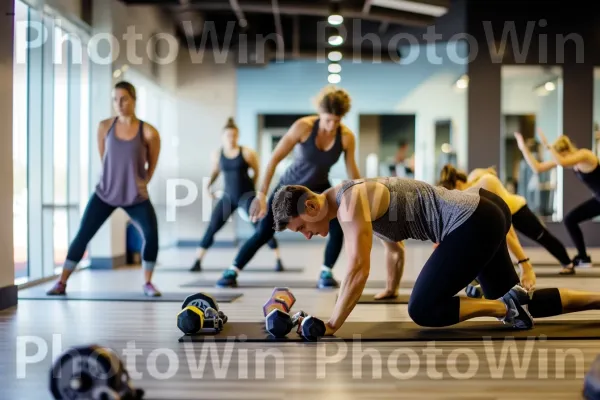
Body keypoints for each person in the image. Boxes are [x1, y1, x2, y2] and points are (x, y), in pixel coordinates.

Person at [271, 177, 600, 336]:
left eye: (301, 228)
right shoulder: (354, 195)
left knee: (423, 309)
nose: (307, 235)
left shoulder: (349, 203)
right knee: (523, 305)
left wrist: (332, 324)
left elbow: (358, 269)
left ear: (311, 207)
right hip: (483, 211)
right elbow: (394, 251)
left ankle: (503, 306)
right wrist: (391, 288)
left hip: (471, 220)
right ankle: (596, 300)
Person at [216, 85, 361, 288]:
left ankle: (326, 273)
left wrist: (359, 198)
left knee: (337, 227)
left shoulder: (346, 137)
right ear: (320, 113)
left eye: (336, 122)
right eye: (328, 120)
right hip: (288, 187)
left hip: (319, 188)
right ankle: (233, 270)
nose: (331, 126)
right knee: (264, 231)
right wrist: (262, 196)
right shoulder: (303, 127)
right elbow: (274, 159)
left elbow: (352, 172)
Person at [46, 81, 162, 297]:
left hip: (136, 195)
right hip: (105, 194)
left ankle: (147, 283)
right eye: (115, 99)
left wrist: (143, 181)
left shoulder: (148, 131)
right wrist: (114, 179)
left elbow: (152, 163)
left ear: (134, 100)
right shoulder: (104, 126)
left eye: (124, 98)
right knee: (83, 234)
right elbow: (105, 158)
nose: (118, 103)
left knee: (152, 235)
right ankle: (61, 282)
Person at [438, 164, 574, 276]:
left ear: (458, 183)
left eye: (455, 190)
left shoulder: (484, 182)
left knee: (542, 236)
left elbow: (506, 226)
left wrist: (523, 262)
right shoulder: (474, 178)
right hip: (507, 212)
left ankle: (568, 263)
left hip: (518, 210)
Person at [189, 117, 282, 272]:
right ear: (222, 137)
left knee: (261, 226)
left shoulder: (246, 152)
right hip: (228, 197)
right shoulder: (217, 154)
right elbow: (215, 171)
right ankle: (197, 261)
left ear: (237, 136)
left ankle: (278, 259)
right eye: (228, 136)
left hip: (246, 197)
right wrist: (207, 187)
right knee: (212, 227)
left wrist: (254, 190)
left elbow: (257, 171)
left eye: (234, 136)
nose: (231, 139)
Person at [515, 129, 600, 271]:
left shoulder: (585, 155)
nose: (558, 160)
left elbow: (561, 161)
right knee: (570, 219)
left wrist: (547, 145)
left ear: (566, 150)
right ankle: (583, 257)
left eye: (559, 154)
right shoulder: (571, 161)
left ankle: (583, 257)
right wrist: (523, 148)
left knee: (570, 219)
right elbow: (538, 168)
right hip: (598, 199)